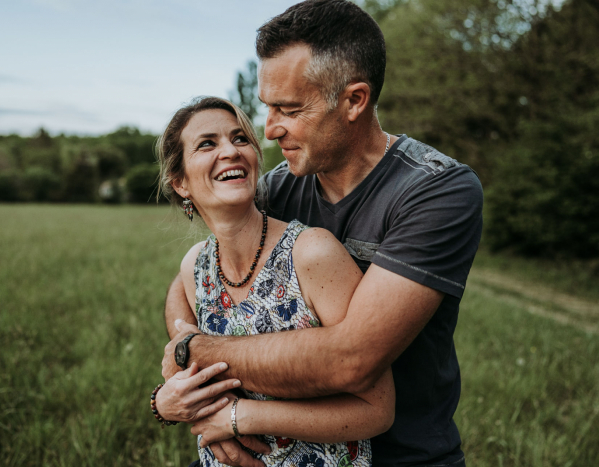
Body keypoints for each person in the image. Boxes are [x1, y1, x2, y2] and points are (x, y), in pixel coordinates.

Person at [162, 1, 483, 466]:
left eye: (289, 109)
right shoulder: (279, 187)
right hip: (270, 448)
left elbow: (351, 359)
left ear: (354, 100)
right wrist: (197, 390)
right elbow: (192, 282)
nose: (269, 130)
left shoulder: (435, 191)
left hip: (400, 453)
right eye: (268, 108)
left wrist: (196, 355)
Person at [150, 96, 395, 466]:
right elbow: (194, 365)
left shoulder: (312, 253)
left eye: (240, 139)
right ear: (180, 182)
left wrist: (235, 418)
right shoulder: (195, 265)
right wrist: (165, 402)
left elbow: (376, 410)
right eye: (207, 144)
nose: (230, 151)